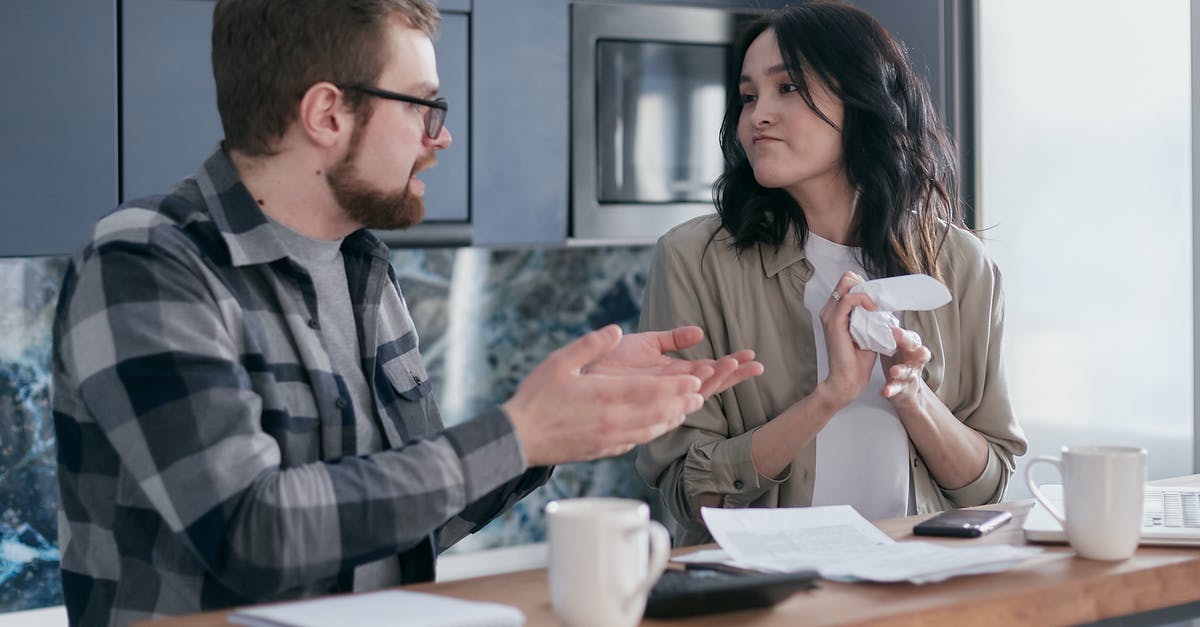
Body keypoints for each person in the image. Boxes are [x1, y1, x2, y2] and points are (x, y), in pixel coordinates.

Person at [50, 1, 763, 625]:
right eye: (423, 105)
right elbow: (251, 532)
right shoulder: (148, 263)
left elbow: (402, 513)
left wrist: (564, 423)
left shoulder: (364, 266)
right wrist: (521, 432)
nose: (439, 137)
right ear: (328, 113)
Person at [635, 1, 1027, 546]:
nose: (758, 116)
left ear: (863, 98)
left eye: (787, 88)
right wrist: (831, 395)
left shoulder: (959, 263)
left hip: (921, 586)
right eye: (748, 97)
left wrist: (910, 389)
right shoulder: (694, 259)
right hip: (765, 596)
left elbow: (988, 487)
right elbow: (689, 495)